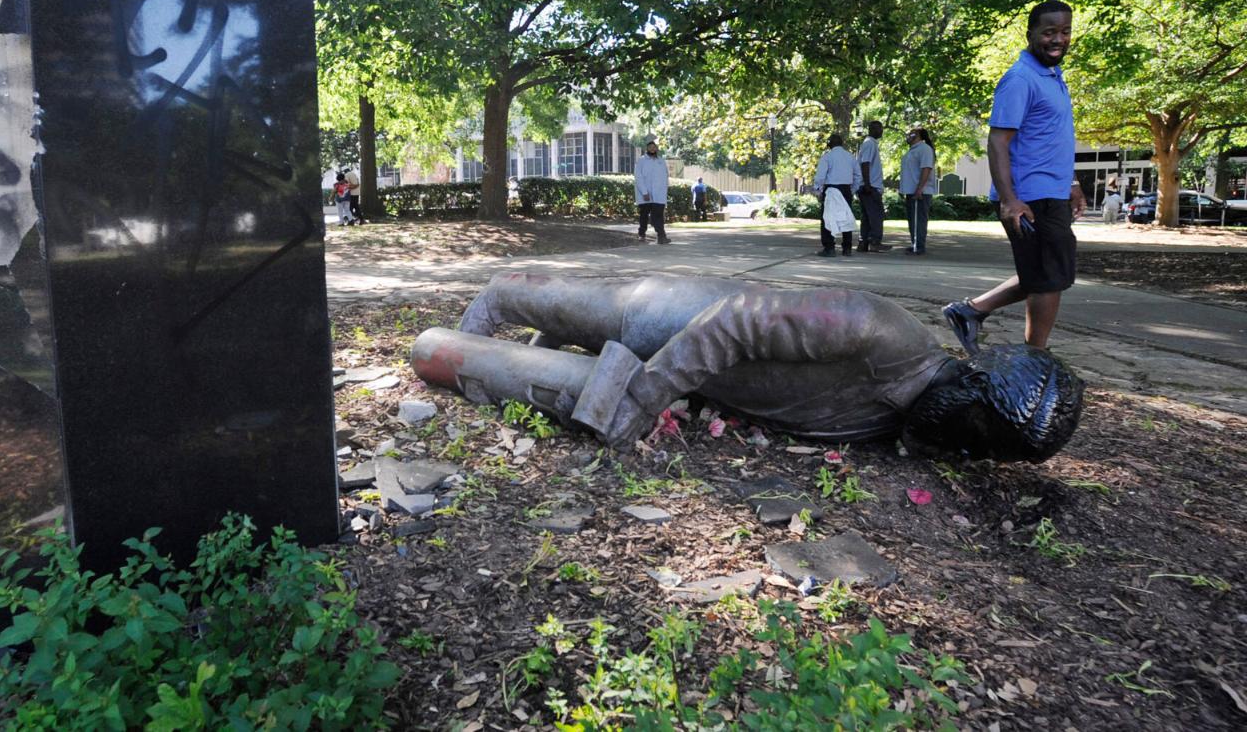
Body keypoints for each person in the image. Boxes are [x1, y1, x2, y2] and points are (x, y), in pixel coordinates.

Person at [417, 272, 1083, 461]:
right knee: (540, 305)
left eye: (983, 453)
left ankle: (536, 343)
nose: (967, 454)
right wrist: (647, 398)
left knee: (565, 342)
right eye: (975, 438)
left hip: (702, 375)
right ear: (973, 382)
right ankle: (471, 328)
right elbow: (737, 321)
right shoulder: (880, 334)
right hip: (675, 319)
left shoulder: (917, 409)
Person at [944, 0, 1087, 353]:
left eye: (1065, 31)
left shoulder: (1052, 75)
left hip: (1050, 192)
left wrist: (1071, 183)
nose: (1058, 39)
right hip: (1028, 198)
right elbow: (997, 142)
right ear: (1031, 34)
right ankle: (1036, 357)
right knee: (1048, 279)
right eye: (1049, 32)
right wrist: (1009, 199)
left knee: (1045, 274)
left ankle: (970, 311)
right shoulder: (1019, 79)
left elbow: (1051, 138)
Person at [812, 134, 860, 256]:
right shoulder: (850, 157)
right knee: (846, 216)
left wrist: (818, 190)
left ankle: (829, 247)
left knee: (827, 217)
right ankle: (847, 247)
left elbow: (820, 176)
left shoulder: (827, 157)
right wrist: (853, 189)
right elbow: (858, 175)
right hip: (846, 189)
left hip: (832, 189)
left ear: (829, 144)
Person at [898, 128, 936, 254]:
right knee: (912, 219)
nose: (908, 135)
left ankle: (919, 245)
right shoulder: (912, 150)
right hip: (910, 190)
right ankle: (915, 243)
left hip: (920, 192)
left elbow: (926, 169)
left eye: (911, 133)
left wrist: (919, 189)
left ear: (918, 135)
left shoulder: (924, 149)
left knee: (919, 219)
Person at [856, 121, 887, 251]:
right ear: (872, 129)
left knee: (867, 216)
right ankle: (875, 241)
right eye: (879, 128)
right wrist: (867, 183)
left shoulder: (869, 143)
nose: (881, 131)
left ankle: (863, 243)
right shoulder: (869, 143)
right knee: (876, 215)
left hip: (868, 186)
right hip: (870, 186)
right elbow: (865, 163)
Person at [634, 138, 670, 244]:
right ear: (647, 149)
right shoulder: (641, 161)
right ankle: (641, 234)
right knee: (644, 216)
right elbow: (638, 177)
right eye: (650, 147)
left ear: (657, 149)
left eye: (654, 147)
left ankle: (661, 237)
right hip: (645, 194)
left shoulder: (661, 161)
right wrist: (644, 192)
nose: (653, 149)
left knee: (658, 215)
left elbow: (665, 176)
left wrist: (664, 191)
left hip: (659, 195)